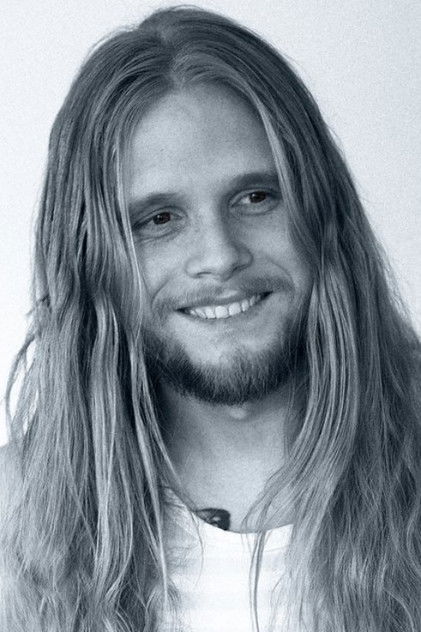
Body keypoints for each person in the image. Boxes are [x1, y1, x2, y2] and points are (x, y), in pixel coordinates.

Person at [1, 5, 420, 632]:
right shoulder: (15, 523)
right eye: (159, 220)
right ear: (92, 261)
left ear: (323, 212)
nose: (220, 256)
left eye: (256, 197)